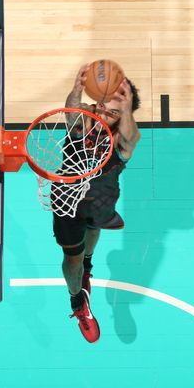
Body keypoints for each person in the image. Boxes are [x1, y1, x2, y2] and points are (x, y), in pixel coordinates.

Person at [53, 63, 141, 343]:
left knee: (93, 232)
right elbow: (71, 116)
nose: (104, 112)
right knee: (72, 259)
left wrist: (124, 109)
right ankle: (78, 301)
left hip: (100, 200)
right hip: (68, 201)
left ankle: (88, 268)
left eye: (113, 111)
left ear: (123, 114)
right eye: (103, 105)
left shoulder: (123, 138)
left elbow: (130, 138)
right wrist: (77, 91)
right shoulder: (86, 119)